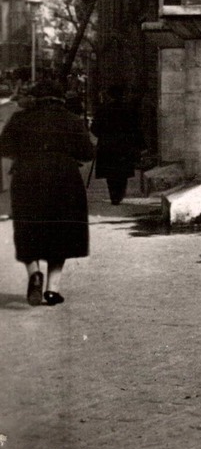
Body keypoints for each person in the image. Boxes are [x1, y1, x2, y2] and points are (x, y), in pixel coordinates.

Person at [0, 78, 95, 306]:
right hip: (63, 178)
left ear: (35, 98)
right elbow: (86, 153)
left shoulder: (20, 118)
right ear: (60, 99)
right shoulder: (71, 120)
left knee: (28, 227)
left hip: (27, 176)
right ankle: (52, 290)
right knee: (60, 231)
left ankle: (34, 273)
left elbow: (4, 147)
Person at [92, 85, 144, 205]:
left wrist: (103, 134)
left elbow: (94, 129)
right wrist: (141, 145)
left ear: (110, 95)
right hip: (124, 146)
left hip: (107, 146)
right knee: (122, 172)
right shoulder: (129, 109)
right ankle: (120, 194)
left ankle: (114, 196)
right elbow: (136, 128)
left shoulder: (103, 109)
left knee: (110, 174)